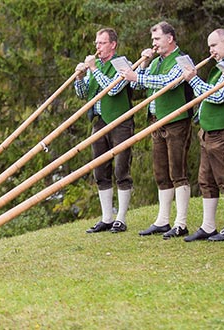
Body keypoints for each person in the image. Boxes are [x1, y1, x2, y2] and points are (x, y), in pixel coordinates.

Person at [119, 21, 194, 239]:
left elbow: (168, 82)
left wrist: (138, 76)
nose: (154, 43)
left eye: (157, 39)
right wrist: (142, 66)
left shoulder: (182, 60)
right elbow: (137, 86)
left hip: (176, 120)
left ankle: (181, 223)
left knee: (177, 171)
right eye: (153, 40)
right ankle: (163, 220)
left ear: (170, 39)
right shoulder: (157, 61)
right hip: (156, 121)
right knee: (161, 172)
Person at [180, 29, 224, 242]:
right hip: (209, 130)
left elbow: (218, 96)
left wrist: (193, 80)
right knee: (206, 179)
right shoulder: (219, 67)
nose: (211, 51)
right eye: (209, 46)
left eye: (214, 45)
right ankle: (208, 226)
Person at [74, 28, 134, 234]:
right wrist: (80, 77)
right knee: (100, 170)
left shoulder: (122, 64)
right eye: (96, 43)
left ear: (113, 45)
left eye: (101, 43)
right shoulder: (95, 66)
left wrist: (94, 69)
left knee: (121, 169)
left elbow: (114, 89)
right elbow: (84, 95)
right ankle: (107, 217)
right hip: (99, 122)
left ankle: (121, 218)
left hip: (120, 122)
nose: (97, 47)